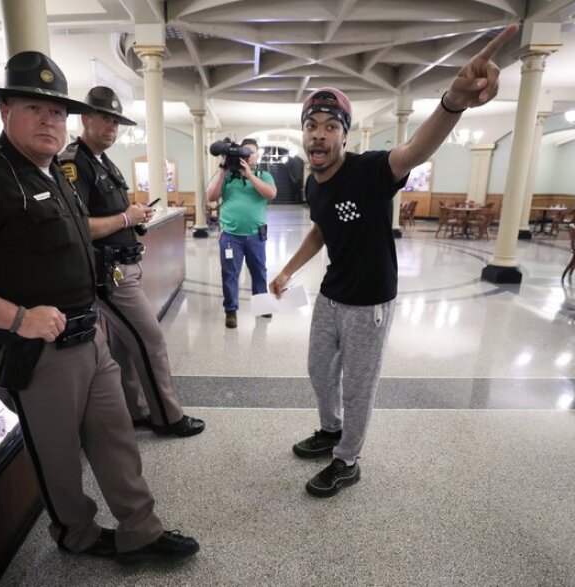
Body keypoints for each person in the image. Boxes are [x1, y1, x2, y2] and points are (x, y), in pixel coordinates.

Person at [0, 51, 199, 563]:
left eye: (57, 113)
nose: (49, 120)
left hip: (91, 334)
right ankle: (76, 534)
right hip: (36, 350)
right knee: (58, 458)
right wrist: (17, 318)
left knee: (116, 439)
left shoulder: (54, 172)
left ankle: (140, 529)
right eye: (34, 108)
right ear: (5, 112)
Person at [270, 25, 519, 498]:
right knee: (319, 372)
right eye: (311, 126)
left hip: (369, 302)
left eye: (330, 127)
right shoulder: (312, 182)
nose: (318, 136)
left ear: (343, 135)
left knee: (358, 385)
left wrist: (453, 102)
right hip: (331, 294)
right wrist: (288, 269)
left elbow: (416, 149)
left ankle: (347, 459)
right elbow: (322, 229)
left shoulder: (370, 171)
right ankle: (330, 430)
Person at [59, 86, 205, 438]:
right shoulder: (73, 162)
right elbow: (76, 226)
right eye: (104, 119)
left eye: (116, 122)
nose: (111, 128)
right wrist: (126, 219)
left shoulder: (102, 161)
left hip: (123, 265)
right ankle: (167, 417)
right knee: (151, 338)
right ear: (86, 119)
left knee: (126, 343)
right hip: (107, 273)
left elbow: (112, 213)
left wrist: (134, 216)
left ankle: (136, 409)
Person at [206, 138, 277, 328]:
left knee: (259, 273)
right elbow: (211, 197)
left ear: (256, 155)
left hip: (256, 236)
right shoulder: (228, 177)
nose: (248, 156)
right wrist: (222, 171)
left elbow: (270, 194)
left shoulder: (263, 175)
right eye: (246, 152)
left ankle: (262, 306)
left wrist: (250, 175)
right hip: (230, 236)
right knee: (229, 274)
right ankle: (231, 311)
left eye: (251, 152)